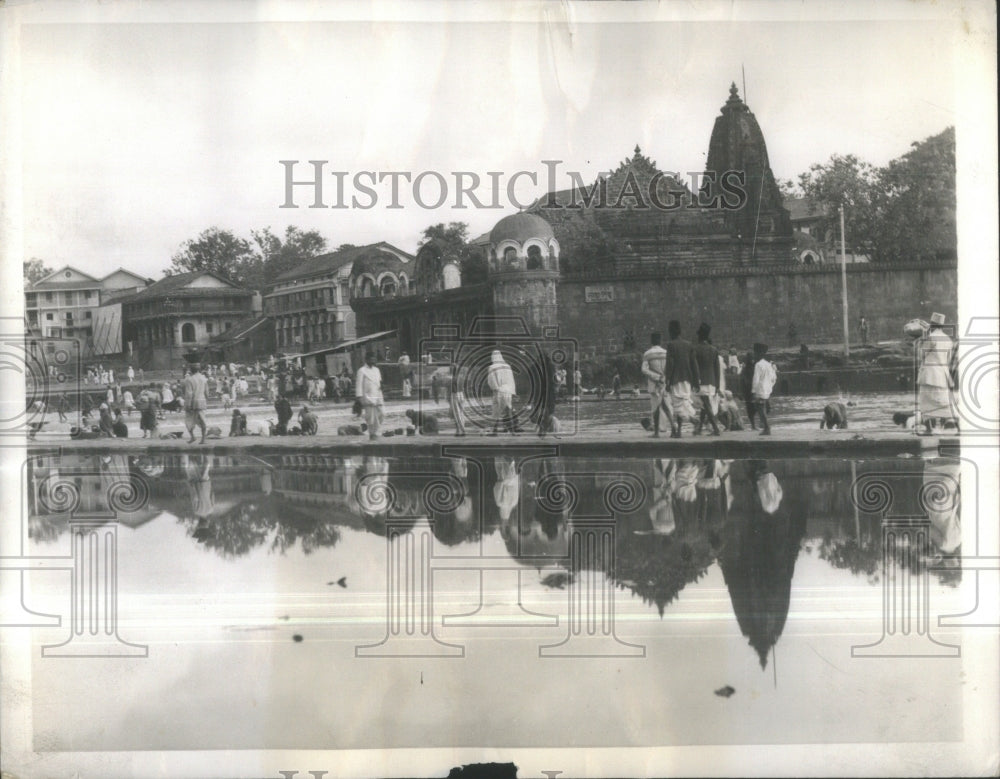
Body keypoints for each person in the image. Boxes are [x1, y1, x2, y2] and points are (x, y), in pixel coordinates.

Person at [916, 312, 956, 434]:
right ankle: (944, 427)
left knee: (927, 402)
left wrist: (921, 340)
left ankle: (929, 429)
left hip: (930, 374)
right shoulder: (948, 339)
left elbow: (920, 355)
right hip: (943, 375)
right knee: (942, 402)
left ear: (932, 325)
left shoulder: (931, 337)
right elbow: (949, 359)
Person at [665, 320, 699, 438]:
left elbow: (670, 364)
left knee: (677, 405)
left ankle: (693, 420)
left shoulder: (671, 345)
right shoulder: (689, 344)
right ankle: (678, 431)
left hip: (675, 379)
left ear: (671, 331)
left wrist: (667, 381)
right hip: (687, 379)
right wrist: (696, 381)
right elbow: (694, 364)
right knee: (683, 402)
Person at [692, 323, 722, 436]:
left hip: (701, 381)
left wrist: (695, 381)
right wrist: (717, 385)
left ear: (699, 336)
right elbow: (717, 369)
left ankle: (715, 428)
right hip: (712, 381)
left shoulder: (695, 349)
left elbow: (694, 367)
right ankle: (699, 428)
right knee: (705, 405)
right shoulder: (714, 350)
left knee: (706, 404)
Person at [641, 332, 672, 437]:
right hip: (665, 383)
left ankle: (657, 431)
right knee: (666, 406)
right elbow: (669, 368)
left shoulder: (647, 354)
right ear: (660, 341)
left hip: (655, 384)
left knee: (655, 407)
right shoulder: (666, 353)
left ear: (651, 341)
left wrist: (656, 377)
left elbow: (644, 370)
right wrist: (664, 378)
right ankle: (667, 427)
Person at [487, 349, 517, 435]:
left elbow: (491, 380)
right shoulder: (507, 366)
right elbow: (512, 380)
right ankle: (512, 430)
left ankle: (494, 431)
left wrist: (495, 388)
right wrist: (512, 391)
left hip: (499, 390)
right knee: (508, 410)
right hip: (508, 390)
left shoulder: (492, 367)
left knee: (496, 411)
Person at [355, 351, 384, 440]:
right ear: (367, 359)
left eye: (374, 358)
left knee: (382, 414)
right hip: (368, 396)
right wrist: (359, 398)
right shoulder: (361, 370)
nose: (373, 360)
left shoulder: (377, 370)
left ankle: (376, 431)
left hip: (378, 395)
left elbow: (379, 382)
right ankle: (373, 433)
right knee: (370, 417)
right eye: (371, 358)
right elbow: (359, 385)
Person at [529, 349, 557, 437]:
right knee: (546, 411)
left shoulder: (535, 367)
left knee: (542, 411)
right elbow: (553, 381)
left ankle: (543, 428)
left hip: (542, 392)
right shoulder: (550, 366)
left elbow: (533, 382)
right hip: (547, 392)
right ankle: (544, 427)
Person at [751, 343, 778, 435]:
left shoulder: (758, 365)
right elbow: (774, 378)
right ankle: (766, 427)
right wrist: (770, 387)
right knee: (762, 408)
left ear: (758, 353)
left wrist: (754, 391)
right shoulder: (768, 364)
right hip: (767, 390)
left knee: (760, 409)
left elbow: (756, 379)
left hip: (760, 390)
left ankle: (767, 427)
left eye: (755, 353)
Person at [183, 362, 209, 444]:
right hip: (202, 401)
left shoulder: (189, 379)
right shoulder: (204, 378)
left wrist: (188, 405)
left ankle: (193, 436)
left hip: (193, 402)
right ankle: (203, 439)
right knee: (202, 420)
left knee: (189, 420)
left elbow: (189, 394)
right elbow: (207, 393)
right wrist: (205, 399)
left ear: (191, 370)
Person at [449, 362, 469, 436]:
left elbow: (451, 389)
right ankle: (462, 429)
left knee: (457, 414)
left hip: (455, 394)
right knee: (462, 413)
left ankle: (461, 430)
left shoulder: (452, 379)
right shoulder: (461, 377)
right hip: (461, 394)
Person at [740, 350, 757, 429]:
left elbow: (743, 380)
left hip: (750, 391)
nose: (752, 360)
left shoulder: (747, 368)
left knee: (751, 408)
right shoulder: (749, 368)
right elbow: (744, 381)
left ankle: (754, 425)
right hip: (750, 390)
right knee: (752, 408)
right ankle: (754, 425)